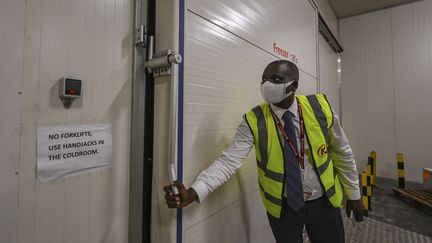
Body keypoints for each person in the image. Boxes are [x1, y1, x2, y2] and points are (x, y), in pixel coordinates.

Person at [164, 60, 364, 243]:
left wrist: (353, 194)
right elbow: (229, 161)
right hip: (285, 208)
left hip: (324, 202)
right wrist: (194, 191)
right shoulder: (253, 120)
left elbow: (342, 152)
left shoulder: (319, 108)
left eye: (275, 79)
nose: (266, 84)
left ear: (293, 86)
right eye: (264, 79)